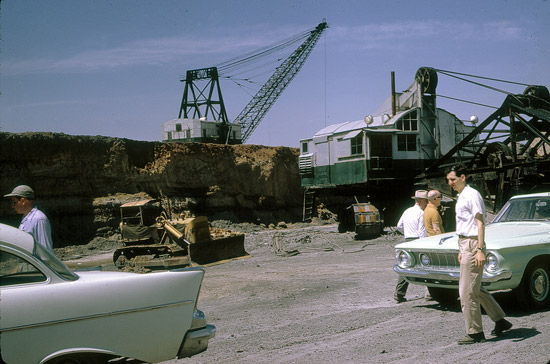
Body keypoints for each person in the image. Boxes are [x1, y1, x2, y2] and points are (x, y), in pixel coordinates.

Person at [446, 165, 512, 345]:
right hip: (465, 244)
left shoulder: (472, 194)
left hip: (474, 243)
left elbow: (480, 223)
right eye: (448, 180)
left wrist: (480, 249)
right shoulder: (461, 197)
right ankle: (500, 320)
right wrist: (462, 250)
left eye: (452, 179)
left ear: (462, 177)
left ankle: (475, 332)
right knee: (475, 287)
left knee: (466, 291)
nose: (450, 183)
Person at [394, 190, 428, 303]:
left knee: (406, 266)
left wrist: (407, 233)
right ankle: (429, 293)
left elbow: (399, 226)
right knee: (425, 265)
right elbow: (422, 232)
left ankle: (399, 293)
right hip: (417, 240)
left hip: (407, 239)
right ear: (421, 201)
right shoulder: (421, 213)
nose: (427, 203)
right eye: (426, 201)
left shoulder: (407, 211)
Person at [4, 185, 54, 253]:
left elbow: (46, 251)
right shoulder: (26, 218)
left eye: (14, 202)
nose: (13, 206)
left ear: (22, 201)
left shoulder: (39, 219)